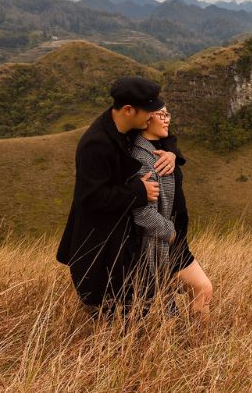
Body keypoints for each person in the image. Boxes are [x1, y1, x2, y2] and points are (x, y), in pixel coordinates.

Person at [56, 77, 179, 315]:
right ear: (128, 110)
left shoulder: (125, 127)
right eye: (148, 112)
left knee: (134, 309)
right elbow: (91, 198)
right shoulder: (96, 144)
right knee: (111, 312)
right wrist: (138, 192)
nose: (151, 118)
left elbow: (165, 136)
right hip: (100, 246)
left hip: (125, 243)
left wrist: (171, 153)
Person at [130, 104, 213, 321]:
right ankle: (197, 343)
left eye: (168, 114)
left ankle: (194, 342)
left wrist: (172, 154)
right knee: (201, 289)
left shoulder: (162, 147)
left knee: (191, 295)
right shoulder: (142, 159)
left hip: (175, 242)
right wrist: (170, 232)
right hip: (161, 242)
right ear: (147, 118)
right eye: (162, 115)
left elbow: (171, 142)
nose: (167, 119)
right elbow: (140, 211)